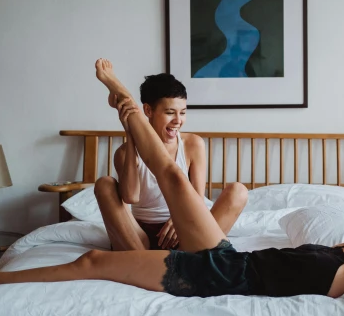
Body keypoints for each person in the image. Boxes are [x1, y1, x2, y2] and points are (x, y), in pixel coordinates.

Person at [0, 59, 344, 299]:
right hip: (225, 261)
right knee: (94, 255)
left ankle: (124, 104)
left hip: (223, 274)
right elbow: (131, 195)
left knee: (169, 194)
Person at [93, 73, 240, 250]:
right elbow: (131, 197)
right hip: (139, 237)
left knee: (238, 192)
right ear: (148, 111)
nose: (178, 121)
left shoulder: (193, 144)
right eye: (170, 113)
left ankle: (181, 257)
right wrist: (131, 135)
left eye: (183, 113)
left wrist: (177, 219)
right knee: (104, 184)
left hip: (182, 230)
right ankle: (145, 260)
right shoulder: (124, 152)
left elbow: (197, 199)